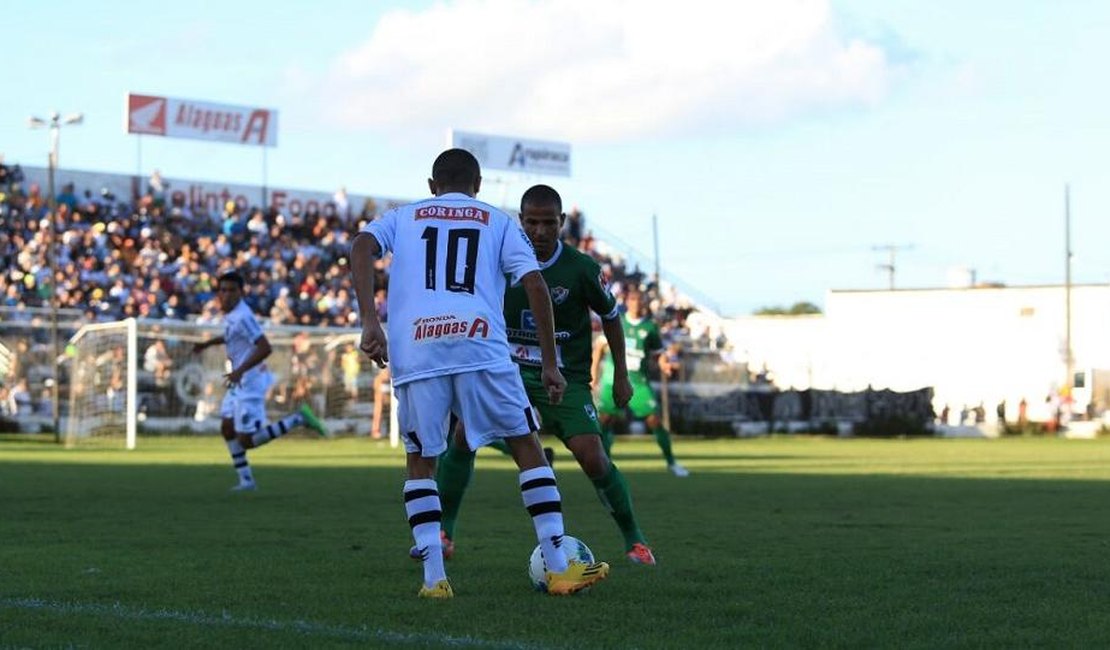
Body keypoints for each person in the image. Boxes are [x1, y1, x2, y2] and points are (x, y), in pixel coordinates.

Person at [350, 149, 609, 599]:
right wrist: (550, 363)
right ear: (479, 185)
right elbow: (534, 285)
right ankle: (559, 565)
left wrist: (371, 322)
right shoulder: (499, 221)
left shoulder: (404, 217)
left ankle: (434, 580)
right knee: (527, 445)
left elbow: (360, 247)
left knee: (421, 459)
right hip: (480, 345)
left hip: (417, 348)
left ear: (432, 185)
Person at [434, 184, 658, 565]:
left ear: (563, 223)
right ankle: (444, 533)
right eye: (532, 223)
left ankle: (634, 540)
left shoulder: (581, 268)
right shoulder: (498, 264)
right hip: (510, 373)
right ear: (521, 222)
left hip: (565, 378)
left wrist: (621, 374)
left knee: (593, 457)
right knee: (461, 435)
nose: (540, 231)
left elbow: (611, 318)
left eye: (548, 223)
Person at [192, 270, 328, 492]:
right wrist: (207, 344)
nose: (226, 294)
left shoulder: (244, 316)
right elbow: (231, 337)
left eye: (231, 290)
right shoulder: (232, 315)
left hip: (250, 382)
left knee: (247, 440)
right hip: (239, 381)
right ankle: (246, 481)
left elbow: (265, 347)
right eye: (223, 290)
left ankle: (297, 419)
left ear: (241, 292)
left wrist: (240, 371)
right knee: (227, 428)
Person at [592, 288, 690, 477]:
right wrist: (594, 375)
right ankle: (606, 465)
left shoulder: (650, 328)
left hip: (639, 382)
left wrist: (665, 366)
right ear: (627, 301)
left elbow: (658, 354)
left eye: (639, 299)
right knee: (605, 420)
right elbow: (599, 348)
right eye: (633, 299)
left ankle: (672, 462)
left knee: (654, 420)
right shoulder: (617, 321)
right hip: (612, 379)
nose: (636, 302)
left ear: (644, 302)